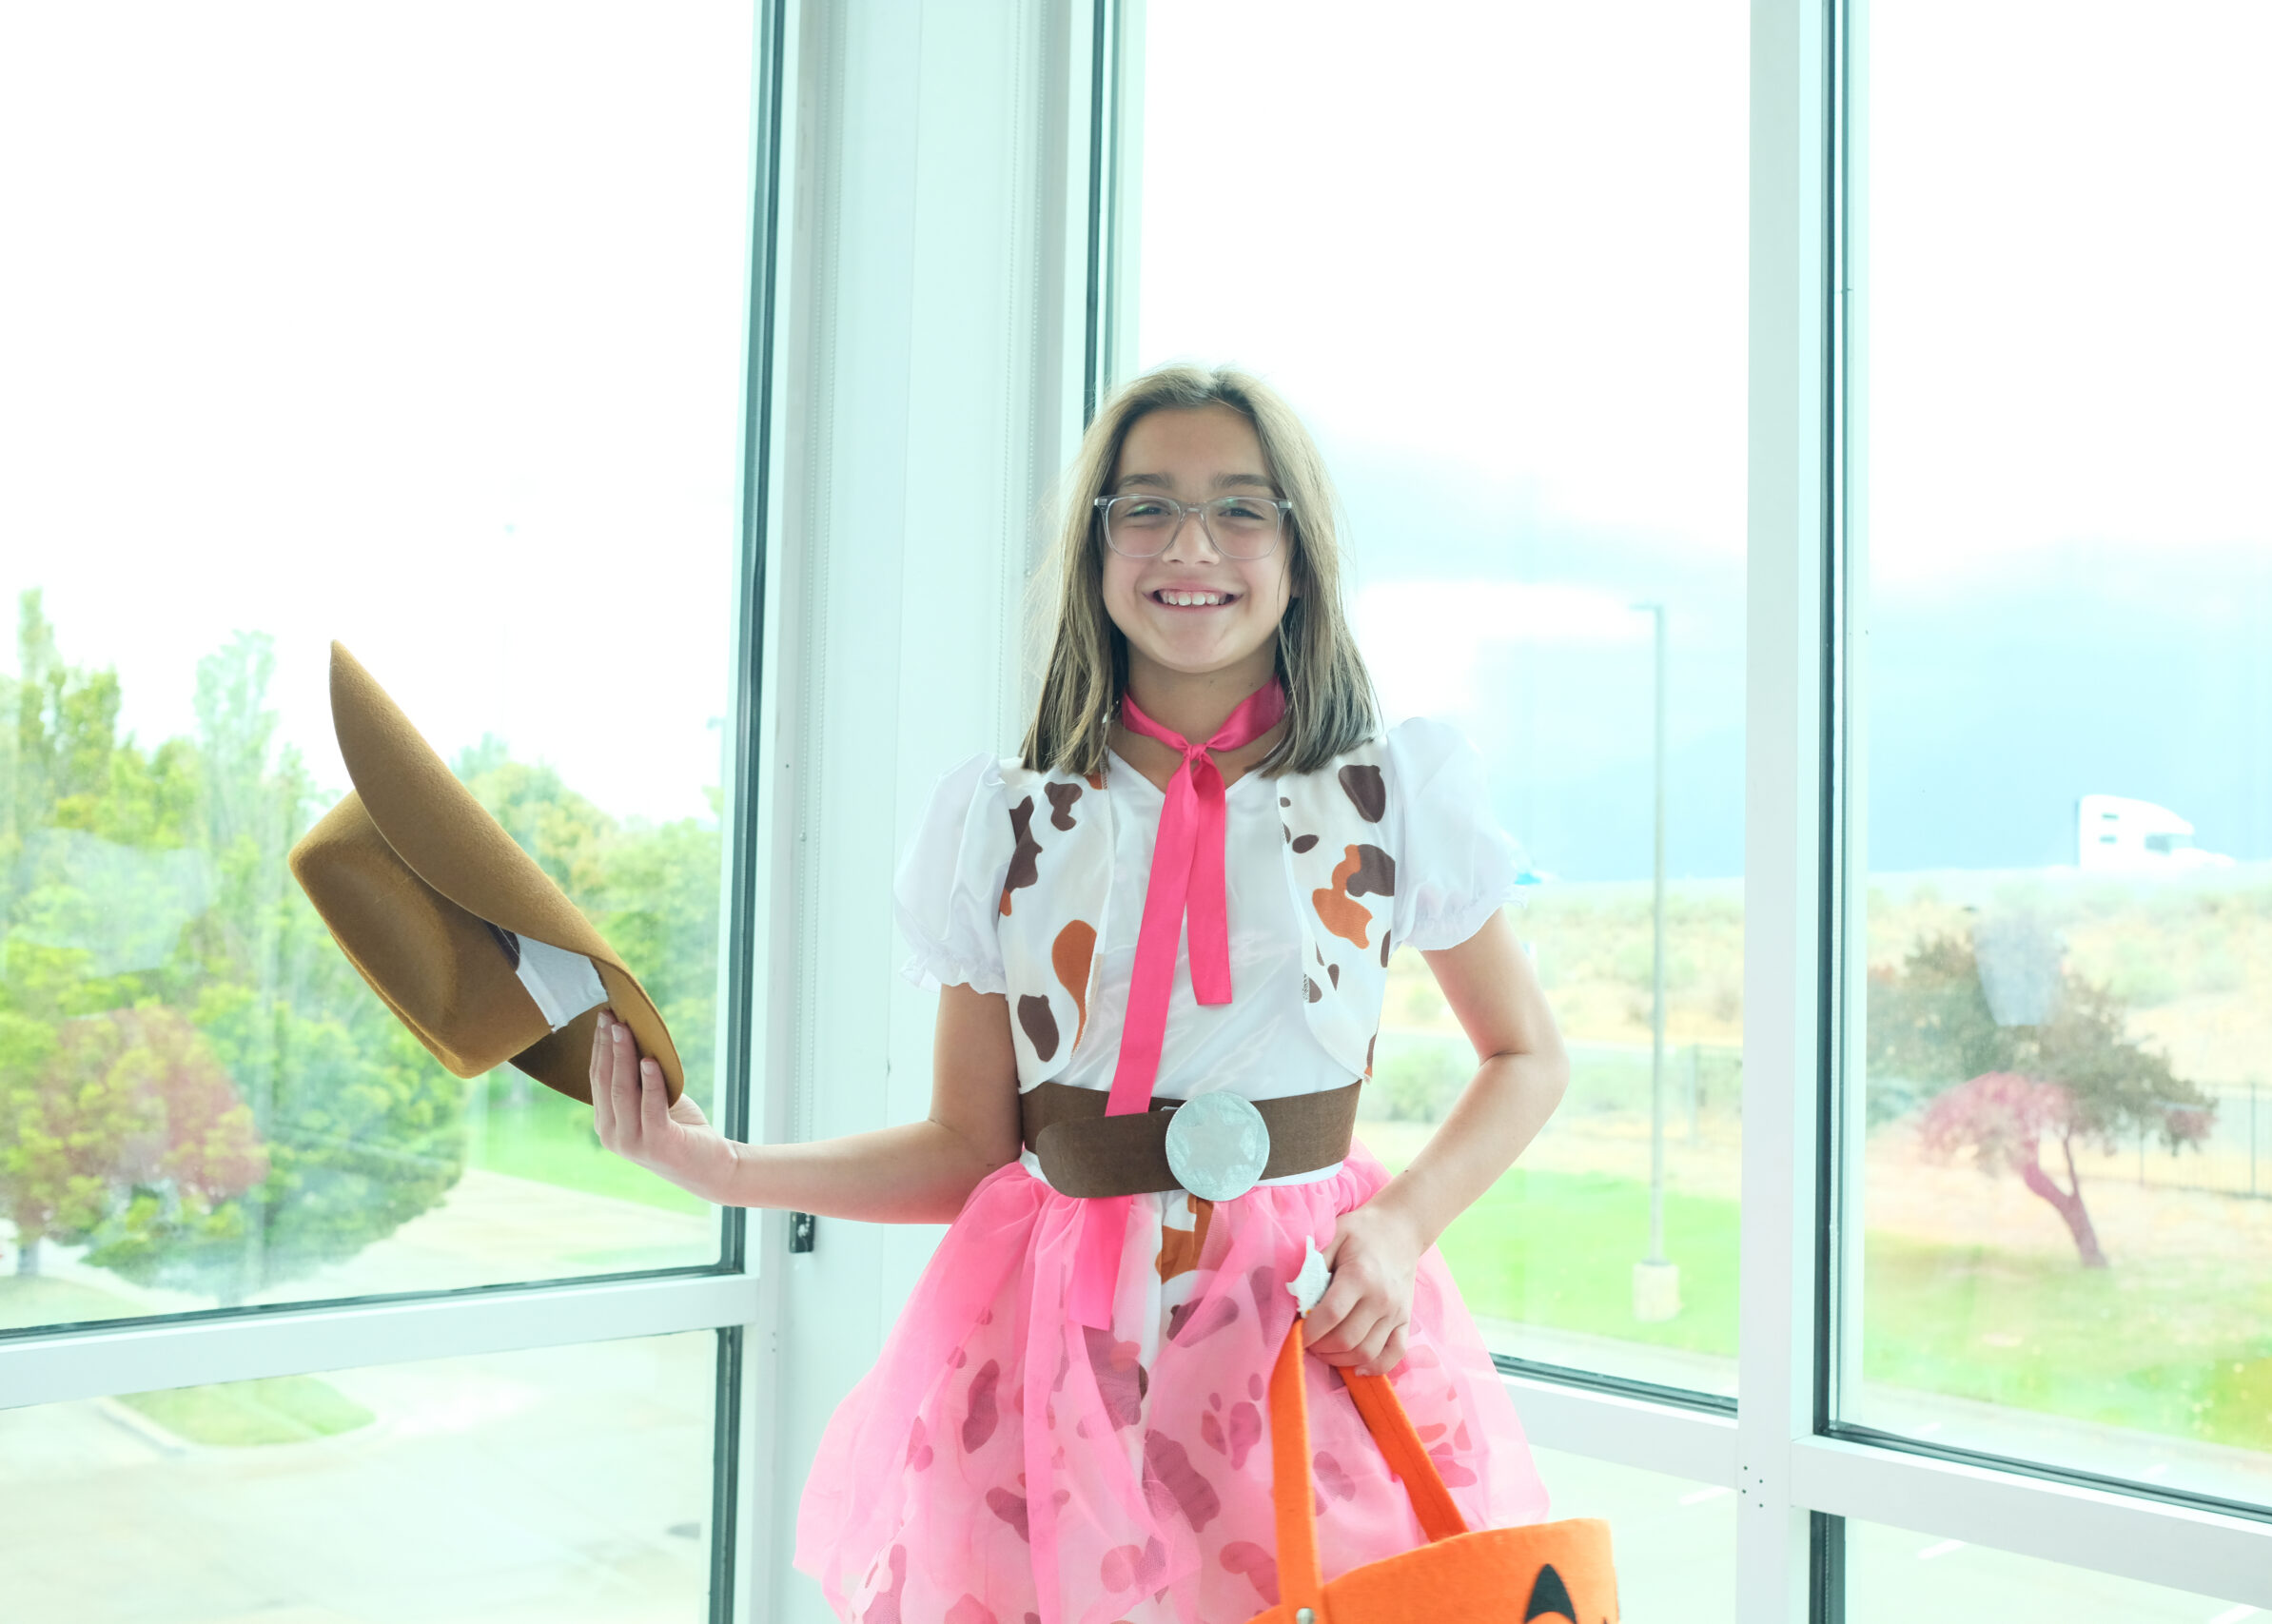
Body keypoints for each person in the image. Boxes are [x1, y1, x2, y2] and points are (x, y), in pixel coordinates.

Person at [589, 365, 1570, 1624]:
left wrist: (1400, 1226)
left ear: (1299, 550)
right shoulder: (1007, 823)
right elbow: (967, 1150)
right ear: (1098, 545)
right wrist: (726, 1171)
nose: (1192, 547)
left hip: (1306, 1324)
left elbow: (1526, 1056)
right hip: (1056, 1359)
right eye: (1147, 508)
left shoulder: (1386, 795)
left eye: (1240, 509)